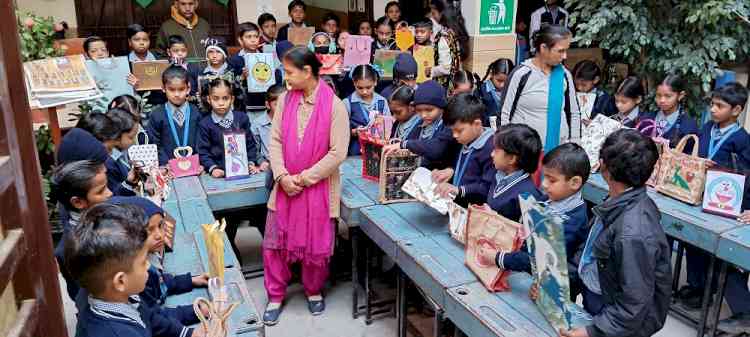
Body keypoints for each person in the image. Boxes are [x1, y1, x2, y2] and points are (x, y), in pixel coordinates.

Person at [262, 47, 349, 324]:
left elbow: (337, 153)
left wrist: (302, 179)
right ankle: (275, 294)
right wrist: (282, 177)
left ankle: (313, 291)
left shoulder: (334, 105)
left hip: (317, 188)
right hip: (284, 185)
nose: (285, 77)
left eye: (289, 72)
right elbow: (275, 141)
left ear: (307, 71)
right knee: (273, 243)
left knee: (316, 246)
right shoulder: (286, 100)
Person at [565, 129, 671, 337]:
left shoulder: (632, 232)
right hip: (600, 295)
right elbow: (589, 251)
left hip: (614, 316)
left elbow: (633, 303)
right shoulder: (616, 201)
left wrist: (592, 331)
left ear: (604, 166)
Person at [65, 203, 200, 337]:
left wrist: (187, 333)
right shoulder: (117, 332)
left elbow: (151, 319)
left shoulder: (124, 297)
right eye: (143, 262)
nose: (148, 266)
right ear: (121, 281)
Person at [678, 83, 750, 310]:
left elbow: (746, 174)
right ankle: (697, 286)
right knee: (693, 241)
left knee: (718, 251)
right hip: (699, 197)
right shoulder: (708, 127)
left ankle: (738, 307)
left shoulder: (742, 139)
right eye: (712, 104)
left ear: (737, 110)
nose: (713, 109)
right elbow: (697, 153)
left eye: (720, 106)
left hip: (728, 203)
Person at [492, 143, 590, 300]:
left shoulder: (571, 221)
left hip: (554, 295)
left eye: (552, 180)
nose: (544, 185)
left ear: (574, 183)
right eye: (545, 177)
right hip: (532, 280)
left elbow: (536, 257)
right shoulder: (550, 200)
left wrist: (499, 258)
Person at [107, 196, 210, 325]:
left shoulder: (148, 257)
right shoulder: (134, 274)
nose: (159, 235)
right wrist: (194, 312)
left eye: (161, 226)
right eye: (149, 231)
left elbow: (158, 281)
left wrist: (189, 280)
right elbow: (152, 320)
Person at [499, 24, 580, 153]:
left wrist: (576, 146)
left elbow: (573, 113)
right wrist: (506, 148)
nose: (565, 56)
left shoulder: (564, 75)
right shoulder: (522, 74)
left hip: (557, 151)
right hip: (526, 151)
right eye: (560, 51)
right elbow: (505, 114)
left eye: (566, 50)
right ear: (543, 48)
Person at [51, 160, 113, 300]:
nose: (110, 193)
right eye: (101, 191)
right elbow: (80, 296)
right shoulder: (73, 250)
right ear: (78, 202)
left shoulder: (100, 217)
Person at [433, 93, 495, 206]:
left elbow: (487, 187)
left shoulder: (490, 149)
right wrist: (451, 171)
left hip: (474, 210)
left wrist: (459, 190)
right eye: (452, 131)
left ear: (477, 124)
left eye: (459, 131)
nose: (454, 135)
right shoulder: (467, 139)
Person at [383, 80, 460, 170]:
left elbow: (437, 149)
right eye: (419, 110)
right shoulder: (421, 124)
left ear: (441, 106)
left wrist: (405, 144)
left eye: (429, 110)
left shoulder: (448, 124)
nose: (423, 115)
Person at [197, 78, 259, 178]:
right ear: (209, 100)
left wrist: (251, 163)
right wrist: (212, 168)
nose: (221, 103)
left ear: (232, 99)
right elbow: (203, 152)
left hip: (243, 170)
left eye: (225, 98)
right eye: (216, 98)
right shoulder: (205, 124)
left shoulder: (242, 118)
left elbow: (250, 144)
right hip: (219, 173)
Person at [484, 124, 543, 222]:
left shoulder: (527, 195)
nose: (492, 154)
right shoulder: (498, 175)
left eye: (496, 151)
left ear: (511, 158)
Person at [147, 65, 201, 166]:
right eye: (171, 90)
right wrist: (165, 164)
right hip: (168, 169)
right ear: (163, 88)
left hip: (194, 167)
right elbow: (154, 144)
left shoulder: (196, 112)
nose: (176, 94)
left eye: (181, 89)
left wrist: (199, 162)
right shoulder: (157, 115)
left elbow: (201, 141)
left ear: (188, 88)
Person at [641, 74, 699, 150]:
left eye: (668, 96)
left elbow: (688, 157)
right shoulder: (646, 119)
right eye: (658, 95)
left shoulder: (688, 126)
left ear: (681, 95)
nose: (662, 100)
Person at [345, 64, 391, 155]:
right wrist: (354, 132)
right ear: (354, 83)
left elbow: (389, 126)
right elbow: (340, 130)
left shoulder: (382, 101)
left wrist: (383, 122)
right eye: (360, 88)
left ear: (375, 82)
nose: (364, 91)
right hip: (356, 150)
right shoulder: (348, 103)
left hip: (378, 149)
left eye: (368, 87)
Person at [428, 0, 468, 89]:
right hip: (457, 79)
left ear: (442, 14)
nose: (431, 16)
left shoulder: (443, 36)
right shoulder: (454, 30)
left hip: (445, 83)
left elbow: (446, 67)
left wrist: (430, 71)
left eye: (433, 13)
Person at [104, 108, 141, 197]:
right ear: (116, 136)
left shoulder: (123, 150)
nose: (133, 142)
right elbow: (114, 196)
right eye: (131, 137)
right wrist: (128, 183)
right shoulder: (108, 164)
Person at [231, 22, 267, 112]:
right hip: (244, 106)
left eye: (256, 36)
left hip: (264, 103)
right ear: (240, 40)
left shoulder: (265, 57)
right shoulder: (234, 60)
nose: (253, 40)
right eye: (249, 37)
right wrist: (242, 77)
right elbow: (230, 85)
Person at [253, 84, 285, 172]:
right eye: (277, 105)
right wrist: (261, 162)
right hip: (268, 166)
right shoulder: (258, 124)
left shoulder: (293, 121)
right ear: (268, 105)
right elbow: (253, 149)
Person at [479, 58, 514, 127]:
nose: (502, 85)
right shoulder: (481, 91)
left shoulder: (513, 90)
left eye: (506, 81)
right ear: (492, 74)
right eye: (499, 80)